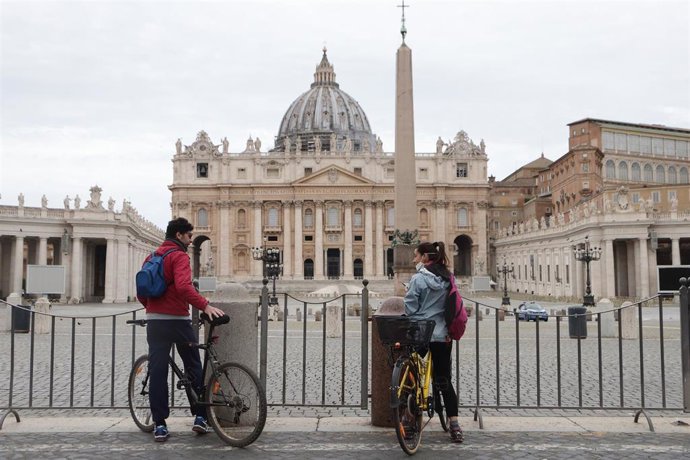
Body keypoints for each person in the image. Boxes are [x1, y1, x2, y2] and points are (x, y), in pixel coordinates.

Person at [137, 217, 225, 442]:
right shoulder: (179, 257)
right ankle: (200, 417)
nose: (190, 240)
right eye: (188, 235)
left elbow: (140, 291)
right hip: (177, 320)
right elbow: (185, 287)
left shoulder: (152, 256)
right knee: (193, 365)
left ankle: (160, 425)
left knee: (157, 371)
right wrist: (205, 305)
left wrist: (153, 309)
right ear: (179, 235)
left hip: (155, 322)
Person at [403, 241, 464, 443]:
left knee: (412, 380)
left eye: (416, 255)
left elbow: (411, 307)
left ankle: (409, 420)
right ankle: (454, 424)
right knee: (444, 379)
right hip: (441, 335)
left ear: (424, 258)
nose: (413, 259)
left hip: (420, 333)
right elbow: (452, 307)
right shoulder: (449, 279)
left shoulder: (418, 279)